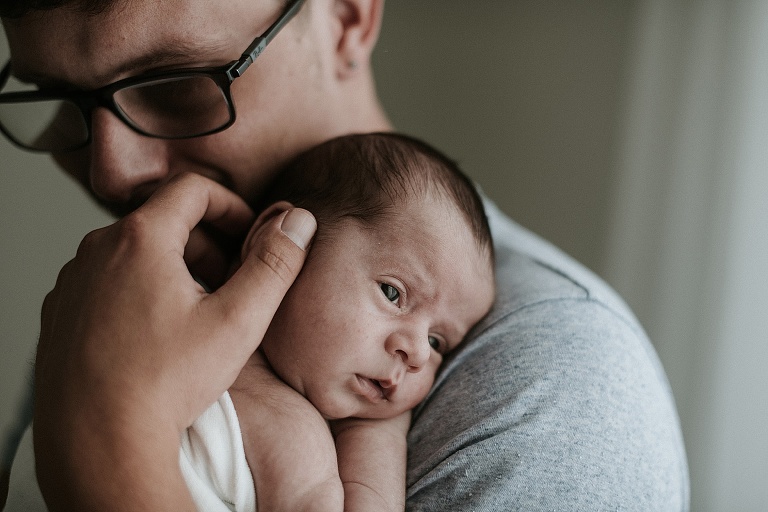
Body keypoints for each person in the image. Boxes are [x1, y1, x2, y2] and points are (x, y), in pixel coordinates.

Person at [0, 0, 690, 510]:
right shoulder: (133, 291)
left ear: (348, 19)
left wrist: (106, 447)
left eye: (175, 85)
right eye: (60, 101)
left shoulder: (547, 393)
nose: (112, 174)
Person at [180, 132, 495, 511]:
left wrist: (379, 430)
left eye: (437, 342)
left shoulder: (353, 430)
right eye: (392, 293)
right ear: (282, 240)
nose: (416, 354)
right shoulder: (176, 312)